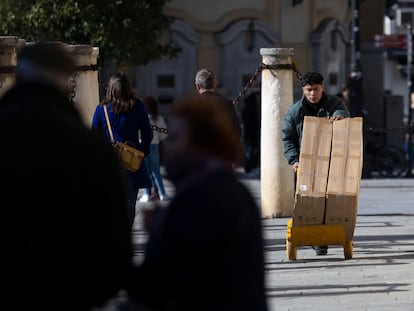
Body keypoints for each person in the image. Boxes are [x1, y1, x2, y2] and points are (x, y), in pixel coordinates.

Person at [0, 42, 133, 310]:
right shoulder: (92, 151)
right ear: (67, 83)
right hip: (68, 293)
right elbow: (115, 250)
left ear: (19, 77)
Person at [125, 93, 268, 311]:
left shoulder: (199, 198)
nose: (167, 147)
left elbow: (161, 284)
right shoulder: (227, 189)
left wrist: (160, 232)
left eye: (174, 139)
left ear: (199, 144)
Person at [282, 71, 350, 256]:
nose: (313, 94)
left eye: (317, 89)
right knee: (309, 201)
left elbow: (342, 110)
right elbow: (288, 138)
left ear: (323, 88)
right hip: (306, 164)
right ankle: (314, 238)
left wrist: (339, 116)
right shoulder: (295, 111)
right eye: (309, 90)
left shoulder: (333, 102)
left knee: (329, 201)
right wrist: (294, 160)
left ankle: (323, 240)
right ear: (303, 90)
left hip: (330, 161)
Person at [92, 72, 153, 229]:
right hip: (132, 164)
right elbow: (148, 133)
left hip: (109, 165)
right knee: (129, 204)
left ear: (110, 89)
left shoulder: (101, 110)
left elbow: (94, 137)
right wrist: (142, 151)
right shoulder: (137, 106)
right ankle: (125, 238)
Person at [195, 68, 243, 141]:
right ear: (214, 84)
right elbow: (236, 131)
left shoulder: (191, 105)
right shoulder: (226, 103)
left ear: (198, 86)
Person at [139, 95, 170, 202]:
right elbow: (163, 135)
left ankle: (147, 194)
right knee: (156, 171)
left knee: (146, 172)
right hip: (155, 146)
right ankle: (162, 194)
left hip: (143, 146)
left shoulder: (140, 119)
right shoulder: (159, 118)